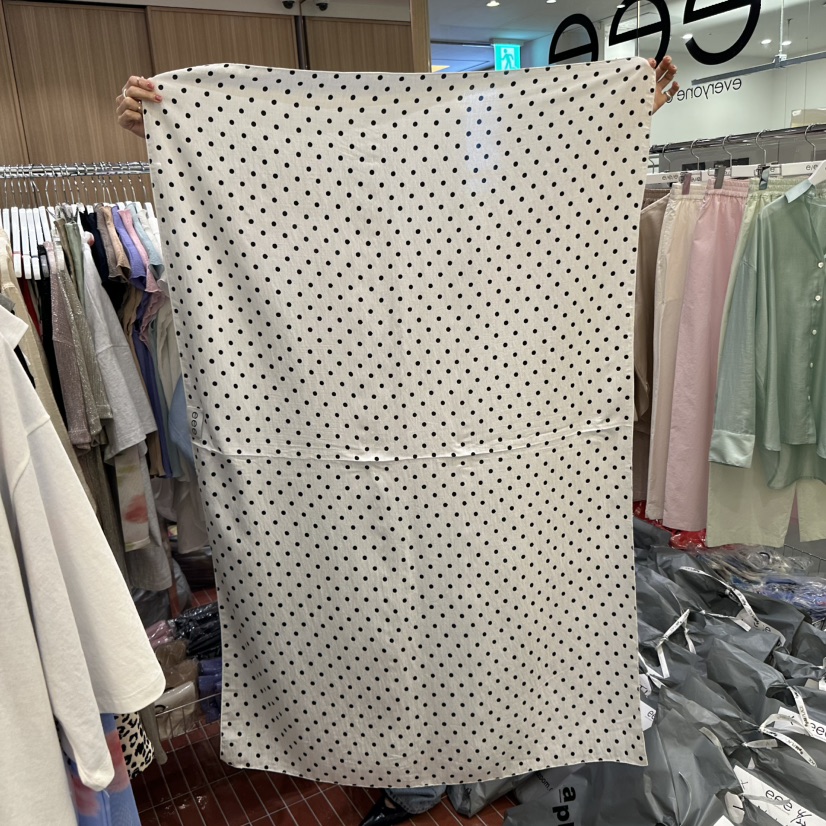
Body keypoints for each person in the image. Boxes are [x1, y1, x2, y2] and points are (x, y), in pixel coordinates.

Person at [116, 54, 678, 826]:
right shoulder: (314, 222)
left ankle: (457, 767)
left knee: (469, 612)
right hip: (347, 436)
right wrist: (171, 125)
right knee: (376, 611)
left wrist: (614, 111)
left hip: (475, 443)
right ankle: (410, 774)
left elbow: (542, 188)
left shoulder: (484, 213)